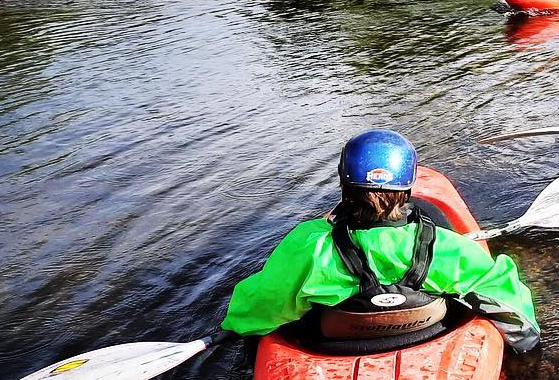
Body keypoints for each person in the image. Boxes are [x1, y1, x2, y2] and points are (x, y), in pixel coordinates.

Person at [221, 130, 541, 352]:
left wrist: (235, 326)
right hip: (427, 337)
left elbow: (255, 307)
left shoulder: (308, 247)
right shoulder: (445, 247)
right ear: (406, 190)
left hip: (334, 347)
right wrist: (526, 342)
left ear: (344, 184)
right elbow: (508, 298)